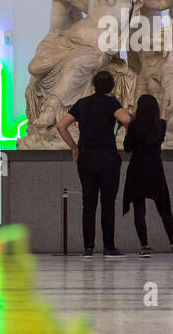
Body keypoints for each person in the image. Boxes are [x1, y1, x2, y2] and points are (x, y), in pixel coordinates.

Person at [55, 70, 132, 258]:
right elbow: (126, 119)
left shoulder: (82, 104)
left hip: (86, 159)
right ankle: (109, 247)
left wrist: (74, 147)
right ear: (112, 87)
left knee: (88, 203)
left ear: (93, 85)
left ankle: (88, 247)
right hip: (108, 158)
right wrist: (127, 135)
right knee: (108, 203)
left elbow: (61, 126)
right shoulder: (111, 103)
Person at [122, 94, 173, 258]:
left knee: (139, 209)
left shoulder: (134, 125)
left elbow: (127, 148)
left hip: (137, 168)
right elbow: (158, 141)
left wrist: (128, 129)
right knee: (164, 209)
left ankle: (144, 246)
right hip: (155, 169)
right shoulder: (161, 125)